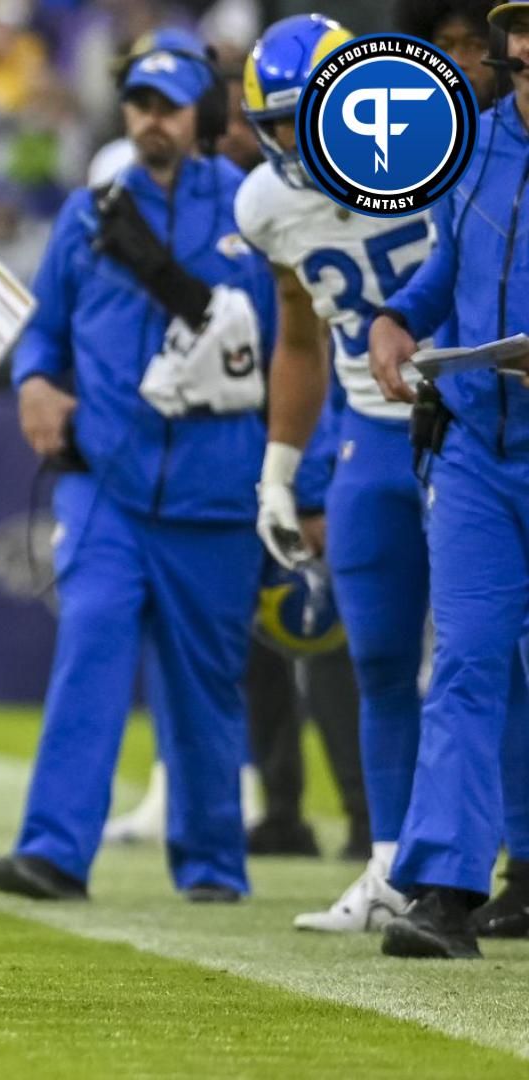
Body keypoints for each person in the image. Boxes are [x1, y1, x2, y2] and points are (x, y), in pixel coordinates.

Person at [0, 41, 277, 903]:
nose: (153, 118)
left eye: (171, 104)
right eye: (141, 103)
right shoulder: (86, 214)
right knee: (90, 649)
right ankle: (52, 851)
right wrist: (35, 382)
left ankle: (212, 864)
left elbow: (295, 348)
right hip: (107, 484)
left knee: (205, 684)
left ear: (204, 119)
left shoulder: (255, 209)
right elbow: (44, 333)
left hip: (216, 487)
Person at [236, 13, 447, 931]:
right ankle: (393, 867)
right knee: (381, 657)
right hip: (368, 429)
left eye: (302, 118)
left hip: (475, 424)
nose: (289, 142)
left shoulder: (434, 151)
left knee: (494, 653)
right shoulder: (266, 204)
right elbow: (298, 334)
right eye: (273, 124)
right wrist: (279, 471)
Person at [363, 1, 529, 960]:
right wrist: (393, 319)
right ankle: (445, 891)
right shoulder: (471, 146)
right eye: (519, 56)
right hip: (474, 451)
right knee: (464, 660)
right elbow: (445, 274)